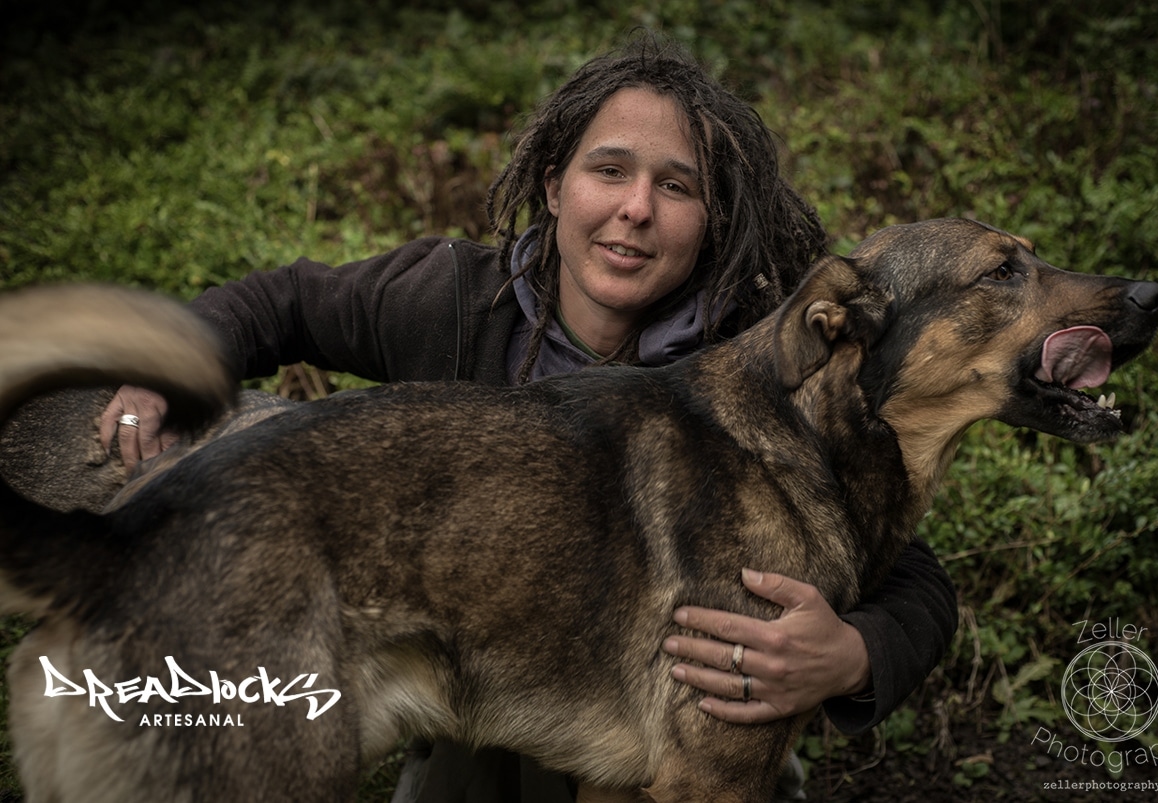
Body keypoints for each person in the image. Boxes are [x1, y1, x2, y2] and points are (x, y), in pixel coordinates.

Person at [99, 36, 956, 802]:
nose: (635, 209)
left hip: (692, 713)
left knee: (733, 723)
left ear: (713, 218)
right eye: (608, 170)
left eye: (676, 186)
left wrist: (851, 655)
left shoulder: (767, 364)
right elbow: (284, 299)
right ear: (554, 185)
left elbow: (907, 571)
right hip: (479, 668)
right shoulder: (454, 300)